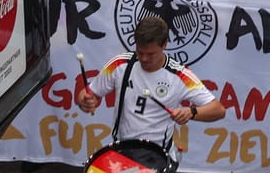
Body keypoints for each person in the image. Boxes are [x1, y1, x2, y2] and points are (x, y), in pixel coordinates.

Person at [75, 16, 226, 154]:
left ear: (164, 44)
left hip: (158, 155)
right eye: (140, 52)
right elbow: (88, 94)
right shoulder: (120, 64)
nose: (144, 59)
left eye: (151, 54)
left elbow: (218, 110)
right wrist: (85, 101)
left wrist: (191, 112)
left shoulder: (180, 75)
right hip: (122, 151)